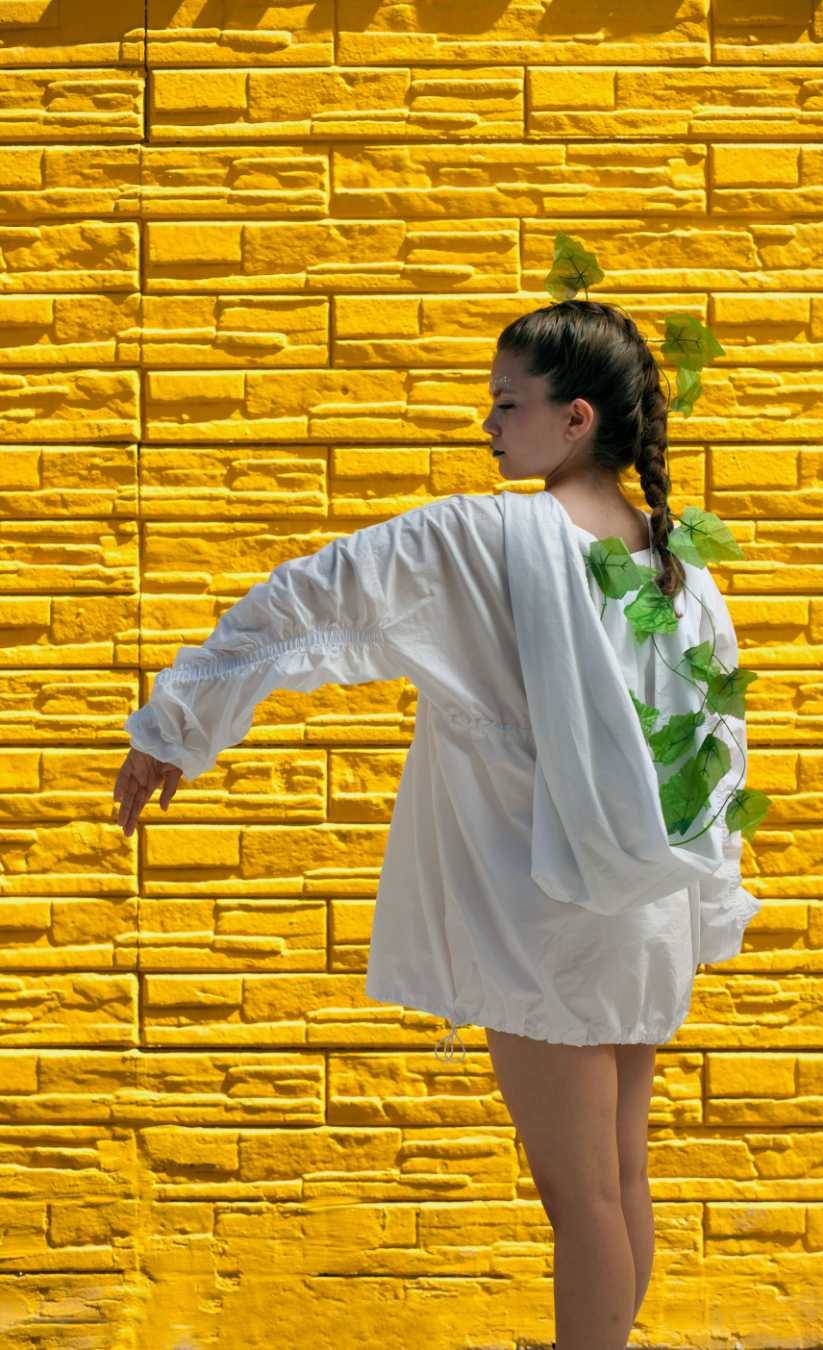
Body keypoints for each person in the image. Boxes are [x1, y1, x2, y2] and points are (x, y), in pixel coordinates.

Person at [114, 299, 760, 1349]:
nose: (488, 424)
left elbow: (310, 601)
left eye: (509, 403)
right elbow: (716, 752)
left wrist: (172, 728)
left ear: (578, 419)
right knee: (621, 1178)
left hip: (542, 905)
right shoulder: (679, 570)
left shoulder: (484, 537)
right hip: (645, 904)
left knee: (582, 1198)